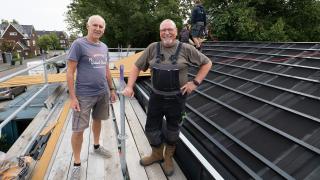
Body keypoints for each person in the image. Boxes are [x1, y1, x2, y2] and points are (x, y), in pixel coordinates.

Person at [122, 19, 212, 176]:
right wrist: (129, 86)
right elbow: (136, 67)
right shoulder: (152, 48)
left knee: (172, 131)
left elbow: (207, 63)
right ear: (160, 33)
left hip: (177, 99)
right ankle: (157, 154)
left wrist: (195, 83)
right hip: (156, 97)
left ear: (176, 31)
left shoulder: (186, 48)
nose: (166, 32)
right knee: (150, 129)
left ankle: (168, 157)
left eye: (170, 29)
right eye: (163, 30)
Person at [66, 15, 116, 180]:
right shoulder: (78, 44)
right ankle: (77, 163)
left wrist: (112, 88)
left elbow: (107, 70)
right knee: (78, 129)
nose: (98, 29)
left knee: (98, 120)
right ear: (88, 26)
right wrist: (73, 98)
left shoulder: (104, 47)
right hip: (84, 95)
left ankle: (96, 146)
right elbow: (70, 72)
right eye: (95, 25)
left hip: (102, 92)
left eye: (101, 26)